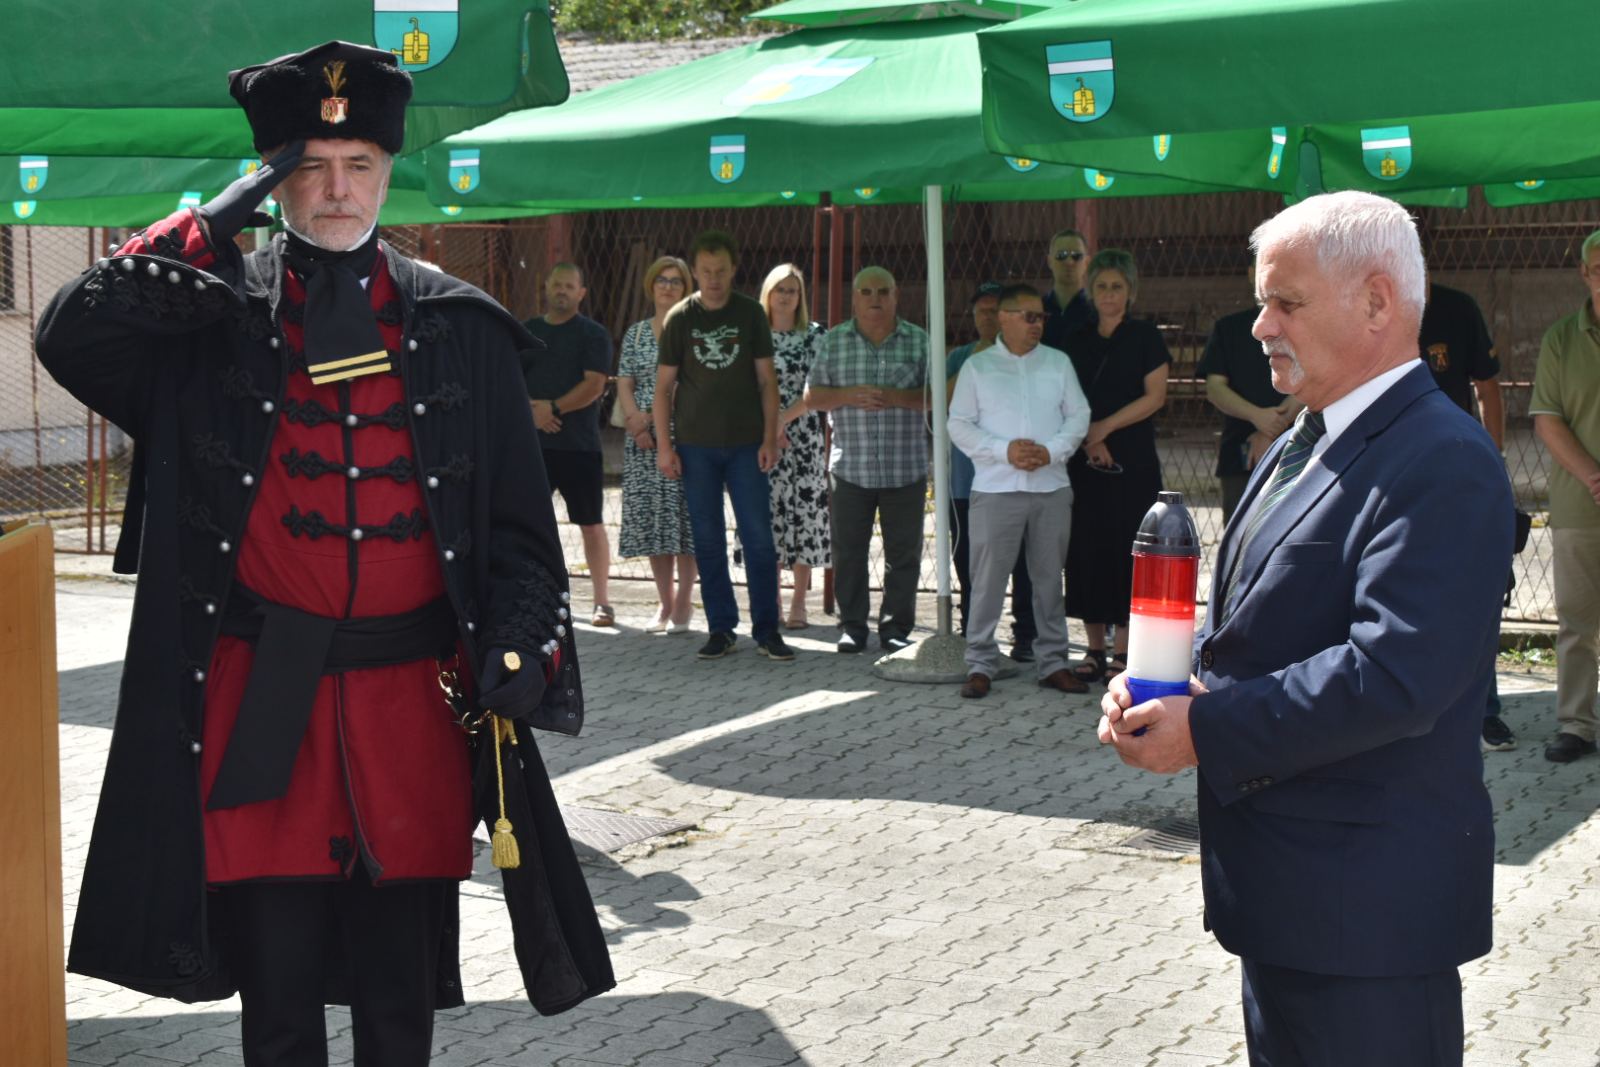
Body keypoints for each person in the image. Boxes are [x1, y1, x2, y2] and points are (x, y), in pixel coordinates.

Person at [34, 41, 612, 1065]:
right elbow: (71, 337)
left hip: (414, 711)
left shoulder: (462, 329)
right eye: (311, 166)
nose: (339, 190)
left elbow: (524, 535)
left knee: (400, 1000)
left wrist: (521, 652)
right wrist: (201, 231)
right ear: (273, 178)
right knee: (280, 997)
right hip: (264, 704)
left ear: (390, 171)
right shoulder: (212, 324)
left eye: (360, 166)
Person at [1099, 191, 1513, 1065]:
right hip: (1291, 901)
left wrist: (1203, 729)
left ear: (1375, 302)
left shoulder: (1443, 459)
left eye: (1285, 301)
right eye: (1263, 300)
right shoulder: (1303, 436)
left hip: (1370, 925)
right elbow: (1256, 624)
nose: (1259, 326)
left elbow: (1394, 675)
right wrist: (1165, 687)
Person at [654, 229, 793, 663]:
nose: (713, 279)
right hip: (695, 447)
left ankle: (768, 630)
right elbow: (662, 390)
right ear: (695, 271)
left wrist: (770, 437)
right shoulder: (680, 318)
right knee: (708, 539)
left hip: (747, 446)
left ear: (734, 270)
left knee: (757, 538)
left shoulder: (751, 314)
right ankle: (720, 628)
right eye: (706, 271)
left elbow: (767, 380)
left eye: (721, 271)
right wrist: (665, 447)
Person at [948, 283, 1090, 698]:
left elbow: (1079, 415)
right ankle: (980, 664)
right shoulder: (978, 367)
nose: (1037, 325)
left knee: (1048, 580)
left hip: (1051, 485)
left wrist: (1053, 451)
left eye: (1041, 318)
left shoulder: (1058, 362)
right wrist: (1002, 451)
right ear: (1004, 318)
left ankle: (1053, 663)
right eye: (1029, 317)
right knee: (987, 580)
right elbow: (957, 423)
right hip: (996, 487)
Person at [804, 267, 930, 654]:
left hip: (904, 465)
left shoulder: (919, 341)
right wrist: (848, 393)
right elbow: (812, 397)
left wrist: (896, 397)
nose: (875, 298)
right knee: (849, 552)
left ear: (896, 297)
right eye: (866, 291)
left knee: (904, 554)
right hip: (850, 468)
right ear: (854, 299)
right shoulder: (834, 341)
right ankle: (852, 627)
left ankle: (895, 629)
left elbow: (935, 397)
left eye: (883, 291)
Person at [1062, 249, 1171, 683]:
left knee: (1130, 549)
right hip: (1084, 456)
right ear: (1091, 291)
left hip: (1133, 456)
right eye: (1102, 286)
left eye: (1118, 287)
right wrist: (1090, 439)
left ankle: (1124, 651)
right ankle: (1092, 649)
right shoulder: (1076, 337)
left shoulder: (1146, 336)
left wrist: (1103, 429)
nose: (1109, 295)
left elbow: (1155, 396)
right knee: (1086, 549)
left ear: (1131, 292)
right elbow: (1066, 396)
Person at [1419, 282, 1516, 753]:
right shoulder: (1361, 303)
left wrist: (1492, 457)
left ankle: (1485, 712)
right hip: (1386, 472)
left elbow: (1487, 385)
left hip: (1456, 468)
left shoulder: (1458, 308)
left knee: (1474, 588)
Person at [1529, 228, 1600, 764]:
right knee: (1577, 620)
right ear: (1584, 273)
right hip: (1581, 503)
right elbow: (1548, 420)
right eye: (1597, 271)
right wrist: (1596, 479)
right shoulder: (1560, 339)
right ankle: (1577, 724)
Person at [948, 281, 1038, 660]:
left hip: (1020, 482)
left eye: (993, 309)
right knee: (971, 564)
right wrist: (978, 361)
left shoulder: (1031, 359)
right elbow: (941, 400)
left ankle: (1026, 638)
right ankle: (975, 637)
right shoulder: (960, 358)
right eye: (980, 311)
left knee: (1024, 565)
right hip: (967, 483)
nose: (987, 317)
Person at [522, 263, 614, 626]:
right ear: (546, 287)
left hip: (579, 446)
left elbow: (594, 385)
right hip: (532, 449)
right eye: (556, 284)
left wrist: (553, 408)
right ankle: (533, 598)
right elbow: (508, 378)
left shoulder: (593, 335)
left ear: (581, 293)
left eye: (569, 286)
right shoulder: (528, 331)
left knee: (591, 524)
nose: (562, 290)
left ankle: (602, 602)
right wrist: (532, 412)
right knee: (528, 524)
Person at [616, 255, 697, 632]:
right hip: (642, 444)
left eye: (676, 281)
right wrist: (635, 421)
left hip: (685, 435)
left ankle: (684, 604)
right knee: (653, 525)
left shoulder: (693, 329)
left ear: (686, 288)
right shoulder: (635, 333)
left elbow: (691, 384)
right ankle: (663, 604)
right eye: (662, 280)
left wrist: (651, 417)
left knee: (684, 524)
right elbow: (625, 380)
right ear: (651, 285)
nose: (668, 286)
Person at [759, 262, 830, 629]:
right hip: (761, 438)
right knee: (767, 518)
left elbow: (816, 388)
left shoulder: (815, 334)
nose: (786, 296)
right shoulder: (754, 334)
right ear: (768, 293)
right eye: (780, 289)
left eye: (793, 290)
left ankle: (800, 602)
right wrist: (768, 427)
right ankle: (770, 600)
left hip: (802, 437)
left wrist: (782, 421)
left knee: (805, 517)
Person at [1199, 264, 1298, 523]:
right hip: (1239, 456)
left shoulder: (1305, 324)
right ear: (1250, 273)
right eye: (1262, 267)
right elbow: (1215, 388)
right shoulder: (1228, 328)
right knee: (1239, 541)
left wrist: (1272, 429)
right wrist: (1258, 417)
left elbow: (1320, 377)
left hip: (1299, 448)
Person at [1041, 227, 1095, 353]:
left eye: (1076, 256)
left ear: (1087, 262)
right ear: (1049, 261)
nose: (1069, 262)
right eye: (1061, 255)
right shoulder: (1037, 310)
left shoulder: (1098, 311)